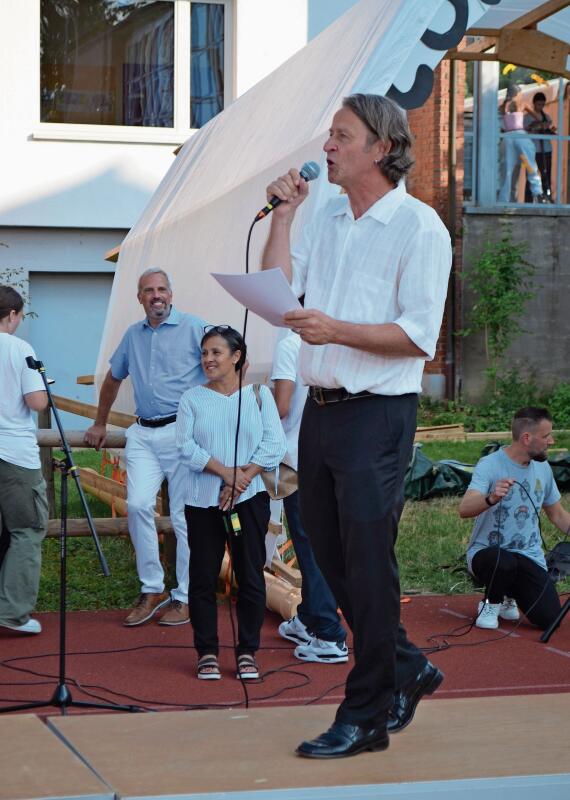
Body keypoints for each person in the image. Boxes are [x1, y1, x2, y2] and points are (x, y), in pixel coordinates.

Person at [261, 93, 450, 759]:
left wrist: (335, 328)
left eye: (341, 136)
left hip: (377, 415)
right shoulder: (330, 220)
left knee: (368, 564)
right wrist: (285, 216)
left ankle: (365, 713)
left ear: (381, 147)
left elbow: (418, 337)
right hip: (321, 412)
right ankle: (406, 665)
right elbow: (281, 291)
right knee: (331, 560)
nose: (327, 148)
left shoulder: (421, 228)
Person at [84, 268, 206, 627]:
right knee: (136, 505)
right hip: (143, 433)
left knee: (185, 518)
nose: (157, 295)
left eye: (162, 289)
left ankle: (184, 597)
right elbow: (113, 378)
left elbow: (224, 365)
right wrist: (100, 421)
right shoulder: (132, 335)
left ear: (171, 294)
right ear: (139, 297)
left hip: (184, 432)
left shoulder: (195, 326)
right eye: (149, 290)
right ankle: (152, 588)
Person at [176, 326, 286, 680]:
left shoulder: (258, 395)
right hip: (202, 502)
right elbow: (185, 446)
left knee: (250, 575)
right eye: (204, 353)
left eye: (216, 353)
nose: (208, 359)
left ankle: (247, 652)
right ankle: (206, 651)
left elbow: (274, 445)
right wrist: (226, 473)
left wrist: (242, 479)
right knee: (203, 576)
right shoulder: (191, 398)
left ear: (236, 357)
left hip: (249, 500)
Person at [272, 329, 347, 662]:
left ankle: (329, 634)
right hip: (334, 455)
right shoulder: (339, 342)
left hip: (298, 458)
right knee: (321, 544)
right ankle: (309, 616)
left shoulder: (290, 344)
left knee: (308, 544)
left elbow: (282, 407)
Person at [459, 407, 567, 631]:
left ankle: (510, 594)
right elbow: (464, 509)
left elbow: (557, 514)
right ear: (527, 438)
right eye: (546, 436)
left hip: (528, 556)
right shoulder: (490, 464)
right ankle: (491, 603)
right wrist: (491, 498)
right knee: (503, 561)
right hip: (487, 554)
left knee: (549, 619)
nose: (552, 441)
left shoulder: (544, 468)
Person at [0, 286, 48, 635]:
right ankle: (13, 613)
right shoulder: (19, 349)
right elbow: (36, 402)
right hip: (13, 453)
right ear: (13, 314)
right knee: (27, 529)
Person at [498, 84, 545, 204]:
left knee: (507, 169)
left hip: (507, 138)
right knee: (530, 164)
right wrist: (533, 125)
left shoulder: (503, 106)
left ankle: (503, 199)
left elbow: (502, 123)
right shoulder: (522, 103)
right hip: (520, 136)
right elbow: (538, 117)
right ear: (518, 93)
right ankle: (538, 193)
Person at [524, 92, 555, 203]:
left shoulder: (547, 117)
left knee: (546, 175)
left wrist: (549, 130)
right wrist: (536, 127)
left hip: (546, 149)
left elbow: (549, 131)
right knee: (530, 175)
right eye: (538, 104)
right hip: (532, 150)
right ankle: (528, 200)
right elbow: (526, 130)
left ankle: (546, 198)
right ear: (534, 104)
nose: (540, 107)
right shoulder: (527, 117)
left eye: (542, 104)